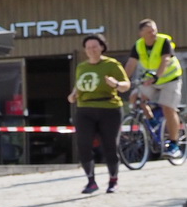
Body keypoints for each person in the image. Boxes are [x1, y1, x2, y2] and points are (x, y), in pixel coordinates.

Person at [72, 33, 131, 195]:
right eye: (88, 47)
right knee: (83, 145)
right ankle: (91, 181)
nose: (91, 50)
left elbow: (126, 85)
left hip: (109, 108)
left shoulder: (111, 65)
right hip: (85, 109)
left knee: (110, 145)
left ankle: (113, 180)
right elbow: (80, 84)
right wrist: (73, 94)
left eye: (95, 47)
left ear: (102, 47)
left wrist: (116, 84)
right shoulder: (81, 67)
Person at [128, 19, 182, 156]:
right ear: (141, 34)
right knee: (135, 98)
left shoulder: (164, 41)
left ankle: (174, 144)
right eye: (149, 32)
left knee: (167, 108)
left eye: (154, 30)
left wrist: (157, 77)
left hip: (170, 79)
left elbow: (165, 60)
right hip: (152, 80)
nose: (153, 34)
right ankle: (152, 123)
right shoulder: (138, 46)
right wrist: (123, 80)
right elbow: (131, 64)